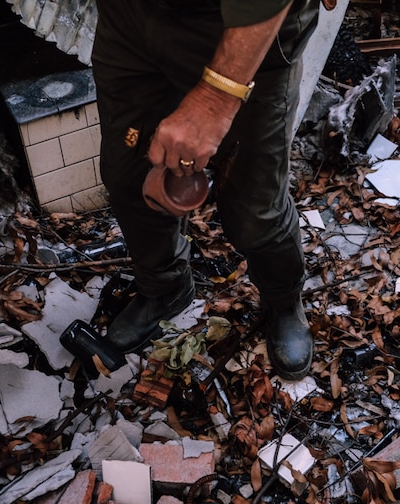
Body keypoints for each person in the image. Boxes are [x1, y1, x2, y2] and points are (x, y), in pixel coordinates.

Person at [91, 0, 318, 380]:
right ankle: (164, 285)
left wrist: (216, 99)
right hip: (126, 17)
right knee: (127, 173)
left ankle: (282, 301)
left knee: (254, 206)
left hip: (242, 26)